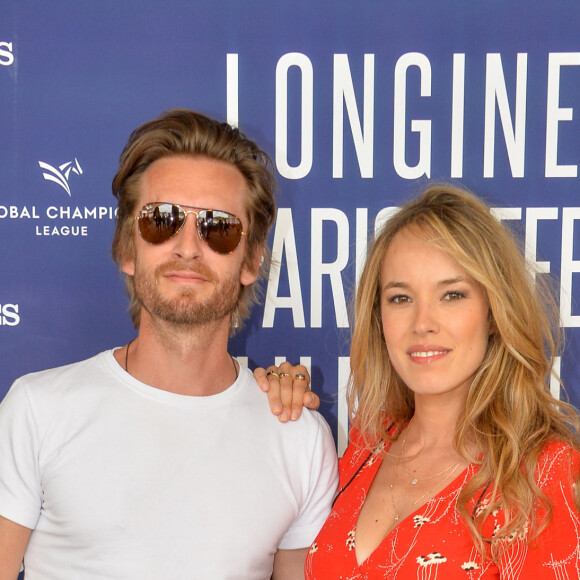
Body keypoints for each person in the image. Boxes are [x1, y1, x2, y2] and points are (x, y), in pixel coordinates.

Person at [0, 109, 338, 580]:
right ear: (126, 248)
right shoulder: (37, 410)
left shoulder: (300, 439)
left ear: (251, 262)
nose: (187, 247)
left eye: (218, 227)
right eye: (161, 221)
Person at [259, 184, 580, 578]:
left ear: (494, 312)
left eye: (452, 295)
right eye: (400, 298)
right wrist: (272, 402)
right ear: (378, 319)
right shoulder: (367, 443)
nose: (423, 323)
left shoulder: (545, 474)